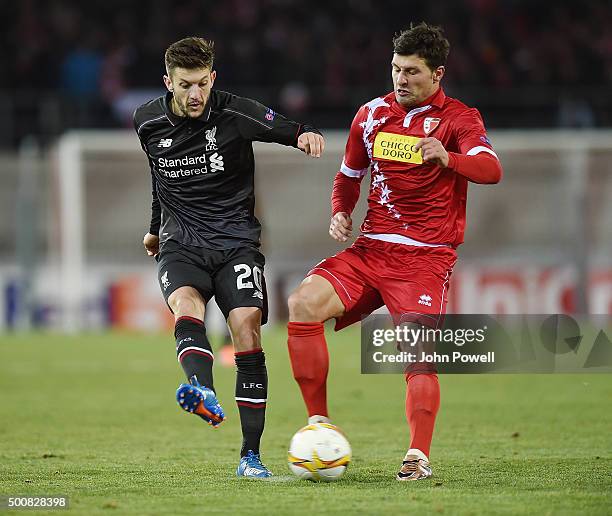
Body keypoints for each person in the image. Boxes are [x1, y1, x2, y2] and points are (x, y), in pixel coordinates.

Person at [286, 23, 502, 481]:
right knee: (302, 304)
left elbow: (491, 169)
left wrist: (449, 158)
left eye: (412, 72)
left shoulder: (459, 119)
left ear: (438, 74)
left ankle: (417, 455)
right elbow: (348, 175)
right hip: (371, 249)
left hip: (425, 258)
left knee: (418, 352)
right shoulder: (370, 115)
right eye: (396, 70)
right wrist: (340, 212)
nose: (400, 79)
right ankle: (319, 426)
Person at [133, 37, 324, 478]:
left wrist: (307, 135)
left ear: (212, 78)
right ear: (169, 83)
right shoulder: (147, 121)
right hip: (181, 242)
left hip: (237, 244)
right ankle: (203, 392)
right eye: (185, 85)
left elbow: (289, 128)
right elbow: (158, 178)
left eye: (202, 83)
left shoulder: (236, 113)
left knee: (246, 329)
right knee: (186, 304)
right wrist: (153, 225)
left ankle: (250, 456)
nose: (195, 94)